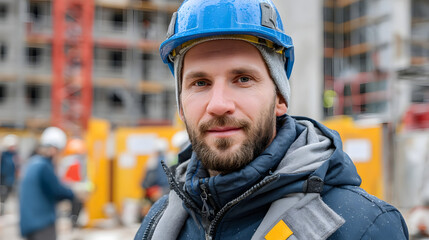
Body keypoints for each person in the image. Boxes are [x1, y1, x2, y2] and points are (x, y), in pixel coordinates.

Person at [135, 0, 409, 239]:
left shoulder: (365, 228)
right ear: (181, 106)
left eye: (243, 79)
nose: (218, 105)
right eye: (200, 82)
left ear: (279, 98)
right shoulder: (156, 225)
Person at [19, 127, 75, 240]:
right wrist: (74, 192)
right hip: (42, 224)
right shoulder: (44, 166)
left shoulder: (32, 163)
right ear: (54, 149)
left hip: (29, 223)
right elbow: (57, 190)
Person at [0, 134, 19, 215]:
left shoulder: (15, 156)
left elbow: (15, 168)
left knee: (8, 197)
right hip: (4, 180)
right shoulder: (4, 155)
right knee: (2, 197)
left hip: (11, 180)